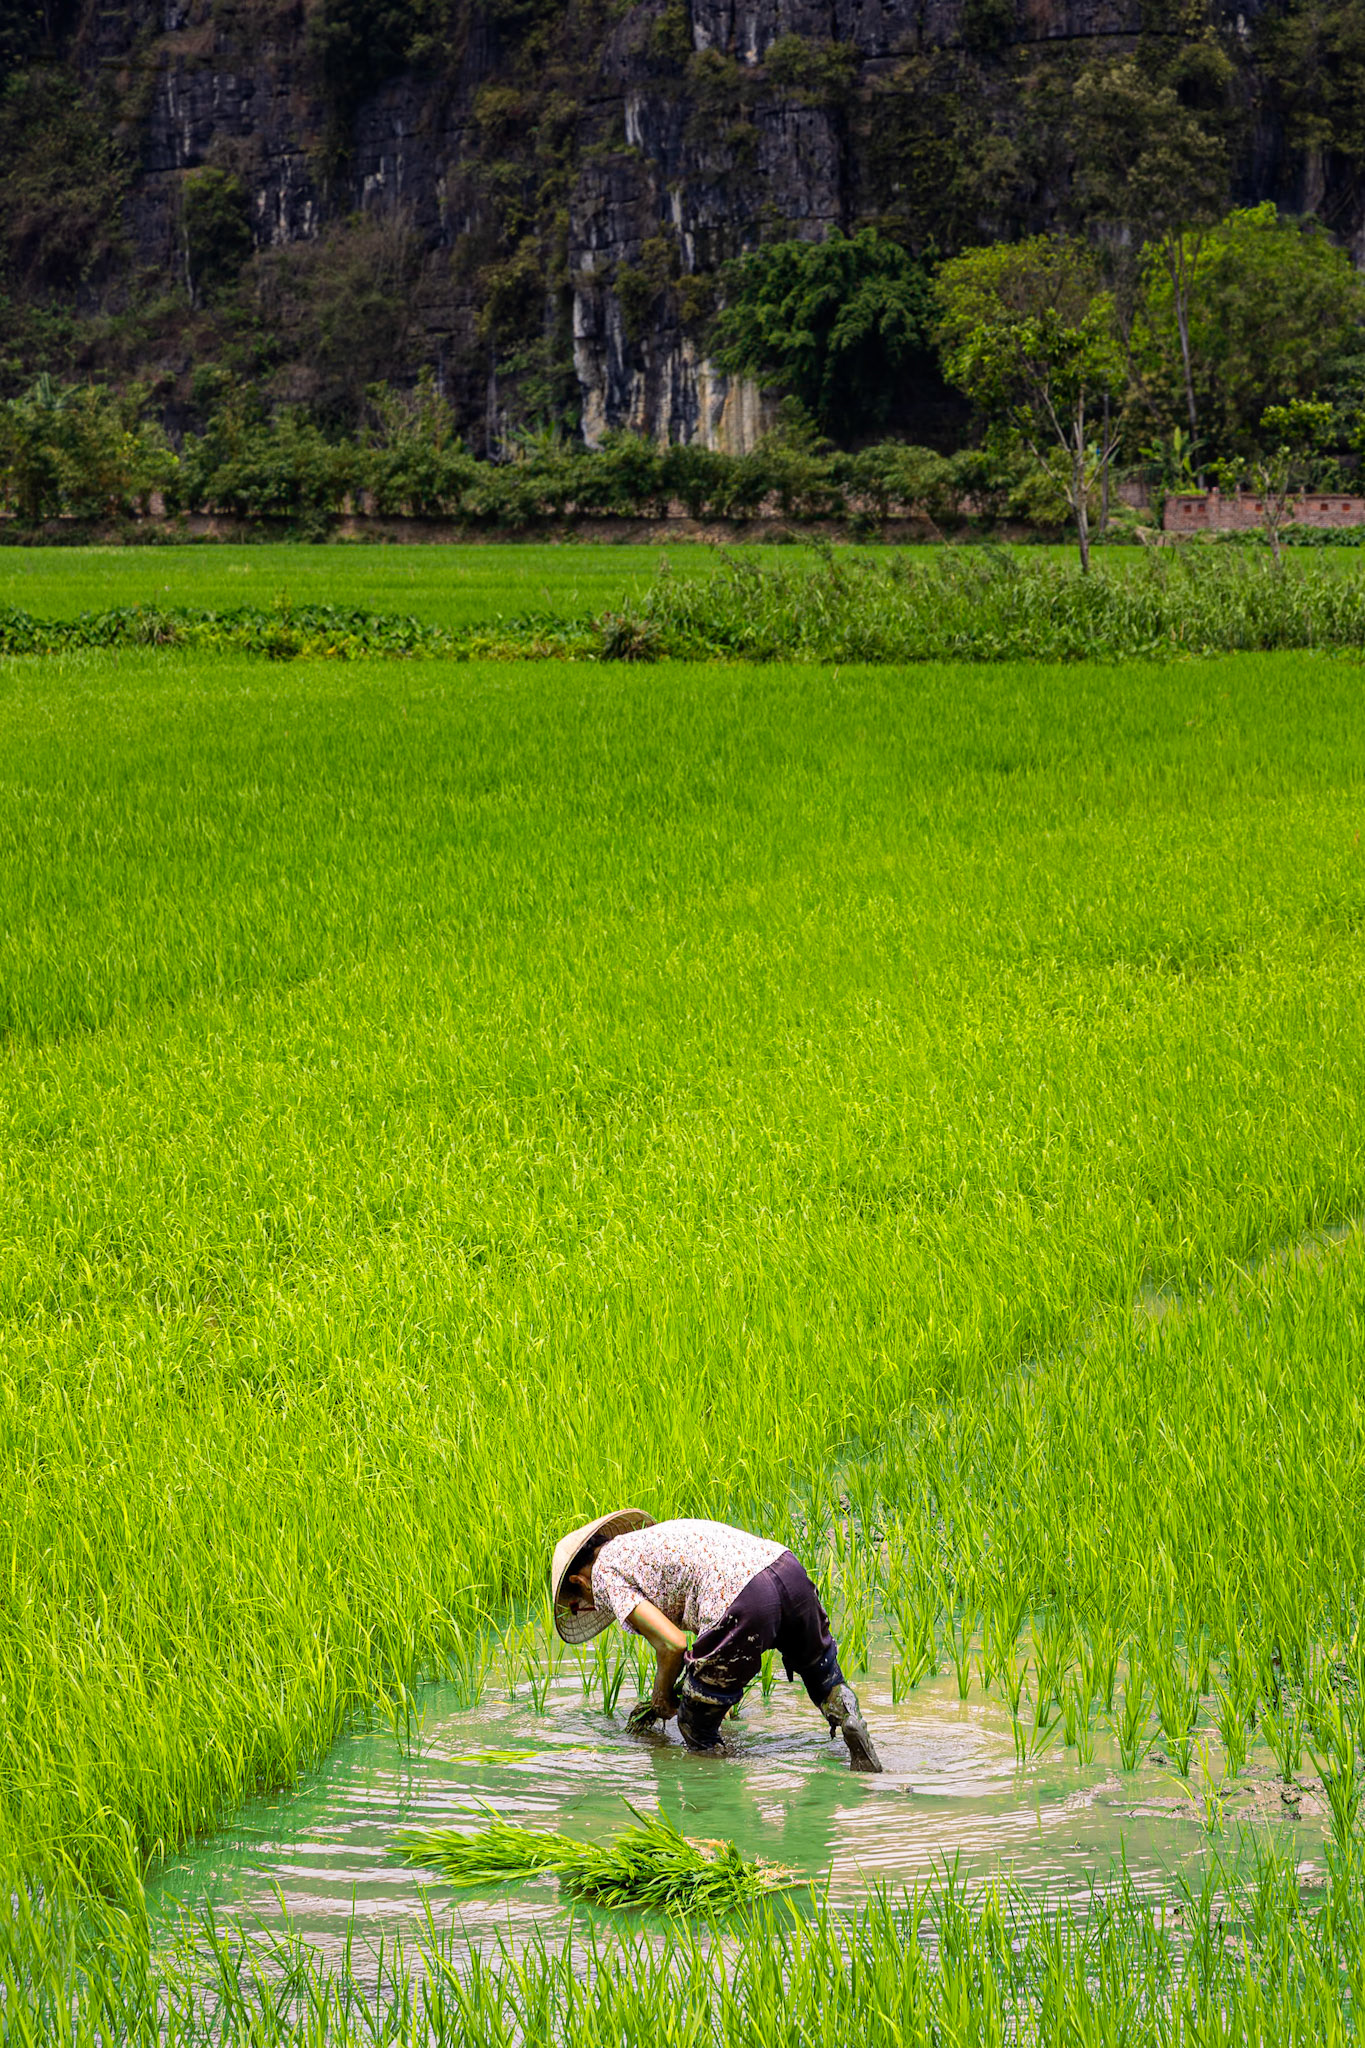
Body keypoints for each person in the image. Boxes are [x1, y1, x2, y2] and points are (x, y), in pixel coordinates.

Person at [550, 1510, 882, 1771]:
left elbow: (672, 1644)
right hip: (787, 1570)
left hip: (745, 1597)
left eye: (579, 1604)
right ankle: (850, 1721)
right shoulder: (642, 1543)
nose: (590, 1607)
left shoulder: (605, 1574)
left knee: (694, 1725)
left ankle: (724, 1802)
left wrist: (661, 1698)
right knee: (823, 1677)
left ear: (580, 1581)